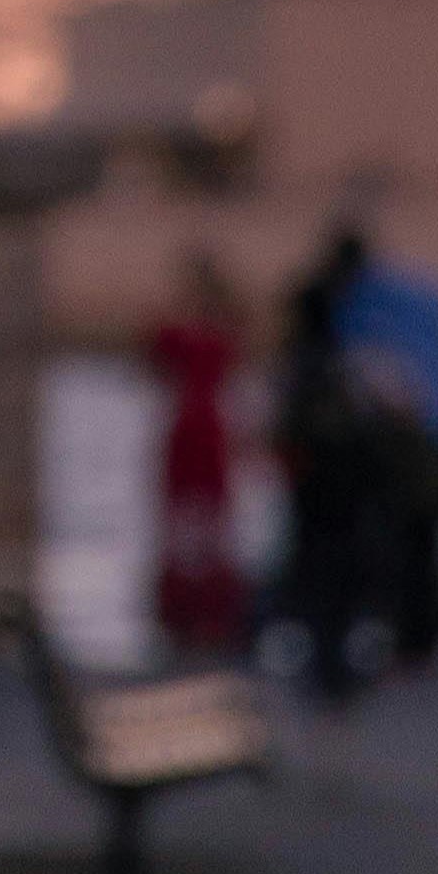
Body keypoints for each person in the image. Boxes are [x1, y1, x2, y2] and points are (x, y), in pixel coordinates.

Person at [336, 238, 438, 669]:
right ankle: (422, 640)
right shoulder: (428, 300)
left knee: (407, 548)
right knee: (424, 549)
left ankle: (413, 642)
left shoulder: (367, 309)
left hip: (410, 454)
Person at [272, 229, 373, 704]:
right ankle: (330, 663)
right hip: (334, 484)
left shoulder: (300, 364)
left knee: (317, 571)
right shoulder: (328, 364)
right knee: (336, 572)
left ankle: (324, 660)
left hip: (312, 484)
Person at [143, 250, 251, 658]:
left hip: (194, 429)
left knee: (191, 528)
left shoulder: (186, 332)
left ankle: (191, 615)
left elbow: (153, 365)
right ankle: (205, 616)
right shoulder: (220, 332)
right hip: (204, 429)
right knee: (205, 528)